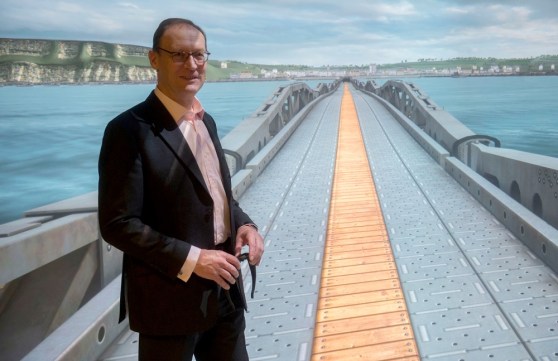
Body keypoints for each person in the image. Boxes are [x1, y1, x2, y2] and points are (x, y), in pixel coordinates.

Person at [98, 18, 264, 361]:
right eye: (179, 55)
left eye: (199, 55)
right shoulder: (128, 130)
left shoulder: (207, 121)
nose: (192, 65)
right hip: (167, 299)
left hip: (225, 286)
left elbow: (218, 196)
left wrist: (245, 225)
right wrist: (194, 259)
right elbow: (118, 223)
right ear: (154, 59)